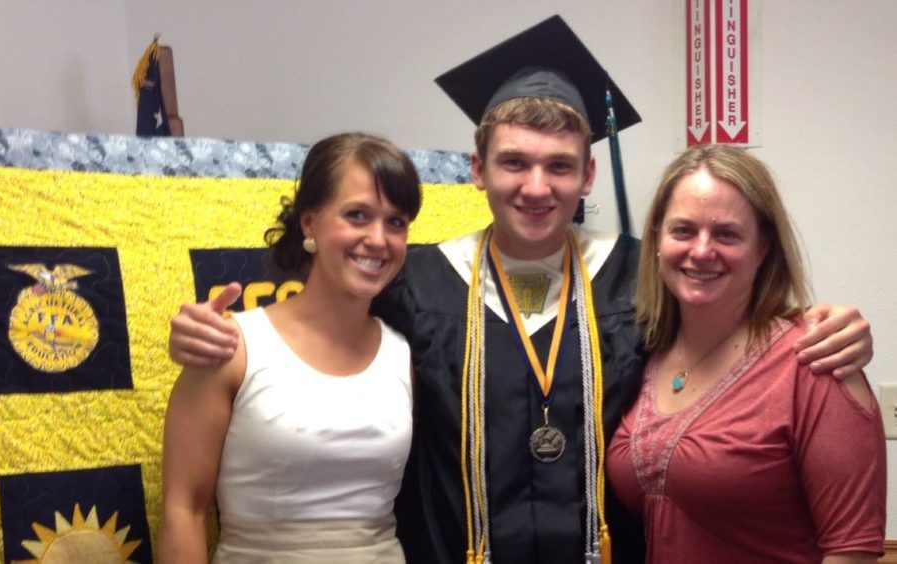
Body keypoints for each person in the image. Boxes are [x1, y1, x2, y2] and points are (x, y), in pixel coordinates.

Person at [167, 17, 875, 564]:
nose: (536, 188)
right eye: (513, 163)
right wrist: (203, 334)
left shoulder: (641, 275)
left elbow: (736, 313)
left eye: (560, 166)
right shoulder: (416, 281)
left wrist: (829, 322)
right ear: (476, 169)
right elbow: (312, 331)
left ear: (588, 178)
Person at [606, 144, 885, 563]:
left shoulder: (817, 363)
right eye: (683, 230)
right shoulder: (641, 351)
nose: (701, 251)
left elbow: (852, 552)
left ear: (764, 247)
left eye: (727, 234)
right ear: (658, 241)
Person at [160, 132, 423, 564]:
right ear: (310, 223)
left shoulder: (405, 356)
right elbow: (183, 512)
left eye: (396, 222)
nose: (378, 239)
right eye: (357, 215)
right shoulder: (231, 348)